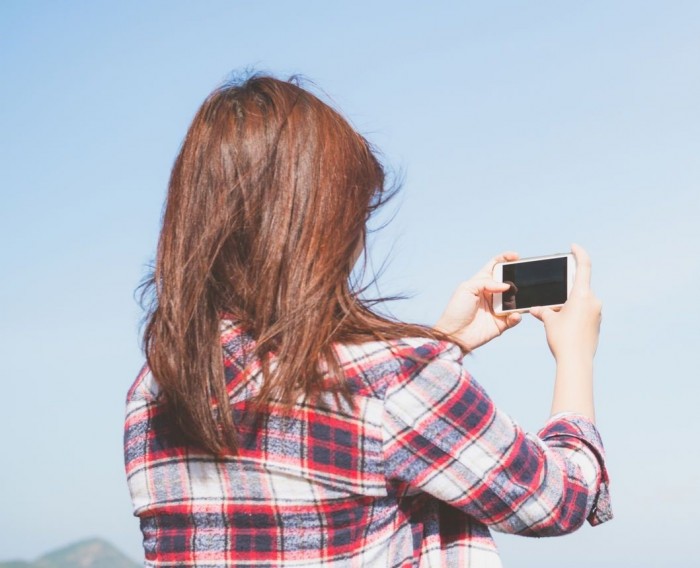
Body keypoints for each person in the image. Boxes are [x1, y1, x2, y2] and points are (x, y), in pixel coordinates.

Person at [124, 74, 612, 567]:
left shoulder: (153, 391)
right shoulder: (390, 380)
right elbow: (558, 499)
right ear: (320, 219)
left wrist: (446, 343)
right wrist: (574, 354)